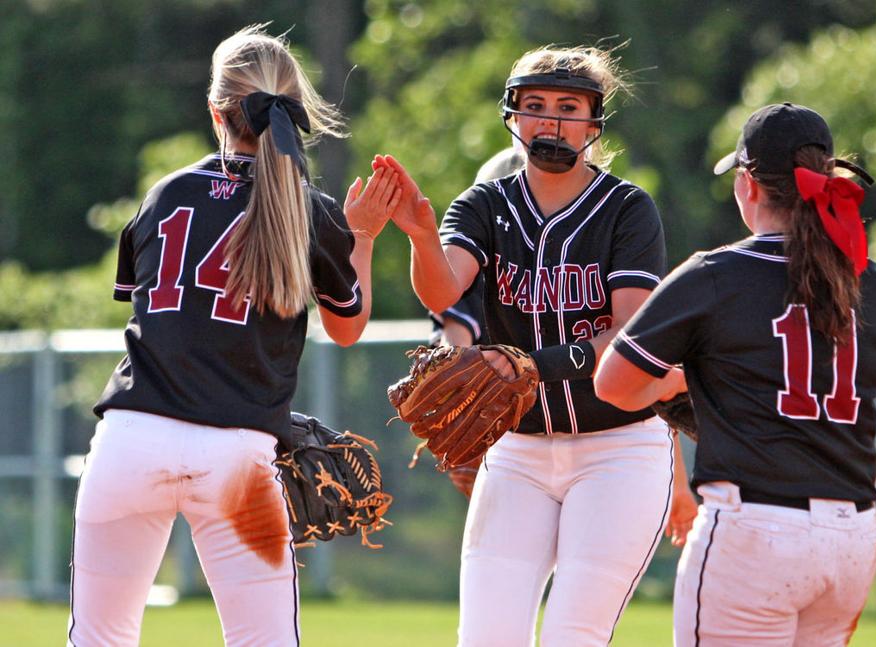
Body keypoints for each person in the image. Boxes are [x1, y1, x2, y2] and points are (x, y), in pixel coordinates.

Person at [68, 25, 399, 646]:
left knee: (100, 639)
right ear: (293, 111)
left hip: (131, 441)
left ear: (217, 111)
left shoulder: (167, 193)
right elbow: (347, 328)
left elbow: (161, 316)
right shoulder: (310, 208)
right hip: (236, 459)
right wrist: (364, 238)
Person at [594, 103, 876, 646]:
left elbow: (614, 384)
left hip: (753, 531)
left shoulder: (715, 275)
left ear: (748, 185)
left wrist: (685, 381)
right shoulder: (869, 277)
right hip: (851, 538)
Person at [382, 46, 684, 646]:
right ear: (513, 116)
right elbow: (445, 287)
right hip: (518, 451)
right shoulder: (485, 205)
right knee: (486, 638)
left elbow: (629, 332)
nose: (550, 121)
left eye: (568, 107)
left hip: (617, 449)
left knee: (574, 635)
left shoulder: (627, 209)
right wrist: (420, 234)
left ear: (595, 120)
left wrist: (532, 364)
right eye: (535, 105)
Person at [431, 147, 526, 499]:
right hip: (509, 434)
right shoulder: (473, 274)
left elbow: (454, 348)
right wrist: (458, 402)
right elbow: (454, 348)